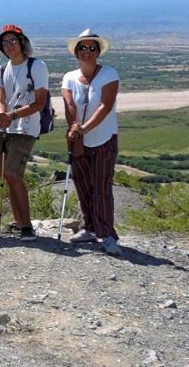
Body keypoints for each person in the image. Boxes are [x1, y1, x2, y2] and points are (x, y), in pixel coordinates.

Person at [61, 29, 121, 256]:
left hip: (103, 139)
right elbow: (69, 106)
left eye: (92, 48)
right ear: (76, 52)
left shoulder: (109, 74)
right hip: (78, 139)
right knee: (83, 185)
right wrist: (75, 130)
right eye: (83, 48)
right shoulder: (69, 77)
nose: (87, 52)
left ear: (98, 51)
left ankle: (106, 234)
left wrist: (84, 128)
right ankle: (89, 226)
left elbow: (105, 106)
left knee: (102, 187)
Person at [0, 24, 49, 242]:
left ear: (22, 42)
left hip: (25, 128)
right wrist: (2, 115)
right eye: (5, 42)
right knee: (7, 176)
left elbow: (39, 102)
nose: (9, 46)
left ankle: (27, 226)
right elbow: (0, 99)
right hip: (6, 126)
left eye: (12, 41)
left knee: (13, 174)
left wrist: (11, 116)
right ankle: (19, 222)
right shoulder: (1, 70)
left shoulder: (36, 66)